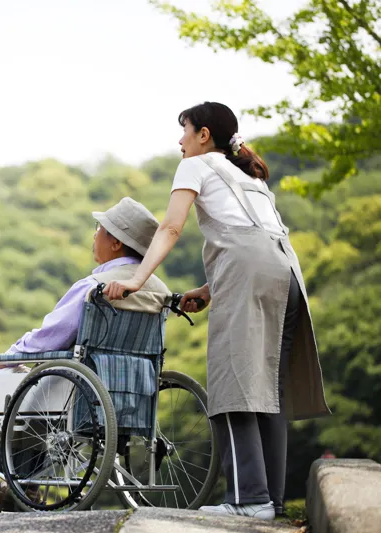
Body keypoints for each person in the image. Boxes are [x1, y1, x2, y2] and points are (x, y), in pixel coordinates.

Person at [103, 102, 330, 520]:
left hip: (248, 272)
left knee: (234, 381)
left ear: (203, 134)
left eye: (184, 131)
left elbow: (172, 227)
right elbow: (258, 238)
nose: (180, 140)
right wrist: (210, 289)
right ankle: (270, 501)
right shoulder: (249, 175)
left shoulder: (197, 165)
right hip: (286, 272)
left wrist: (136, 280)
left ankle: (249, 500)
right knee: (269, 389)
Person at [0, 197, 171, 499]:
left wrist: (8, 357)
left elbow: (50, 337)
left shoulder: (96, 284)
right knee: (22, 392)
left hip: (79, 387)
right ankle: (25, 485)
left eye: (99, 229)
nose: (94, 235)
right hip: (133, 390)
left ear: (115, 243)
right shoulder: (158, 289)